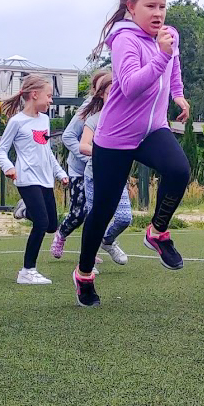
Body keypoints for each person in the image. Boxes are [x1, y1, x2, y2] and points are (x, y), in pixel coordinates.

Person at [74, 0, 191, 307]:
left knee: (179, 171)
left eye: (163, 7)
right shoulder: (125, 40)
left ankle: (157, 231)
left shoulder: (168, 36)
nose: (158, 13)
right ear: (131, 7)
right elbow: (130, 86)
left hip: (152, 129)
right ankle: (84, 275)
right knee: (103, 210)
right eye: (150, 6)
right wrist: (161, 55)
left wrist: (178, 94)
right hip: (116, 137)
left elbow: (174, 66)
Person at [0, 74, 69, 285]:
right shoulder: (17, 122)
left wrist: (60, 173)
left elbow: (47, 152)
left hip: (46, 179)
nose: (51, 101)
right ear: (34, 95)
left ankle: (25, 210)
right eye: (49, 96)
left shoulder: (44, 120)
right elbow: (1, 151)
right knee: (41, 222)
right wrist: (8, 167)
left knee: (51, 225)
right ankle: (27, 271)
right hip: (26, 178)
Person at [50, 70, 110, 259]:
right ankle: (61, 234)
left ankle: (90, 251)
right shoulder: (88, 109)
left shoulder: (116, 107)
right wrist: (90, 157)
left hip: (102, 170)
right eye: (103, 86)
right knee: (79, 212)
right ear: (96, 90)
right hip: (80, 168)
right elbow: (68, 136)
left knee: (99, 211)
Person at [78, 73, 130, 265]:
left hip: (117, 177)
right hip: (95, 177)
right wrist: (104, 152)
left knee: (124, 218)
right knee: (96, 220)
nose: (115, 97)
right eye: (110, 93)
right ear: (101, 95)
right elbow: (83, 146)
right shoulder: (95, 119)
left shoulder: (126, 117)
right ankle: (87, 262)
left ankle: (107, 241)